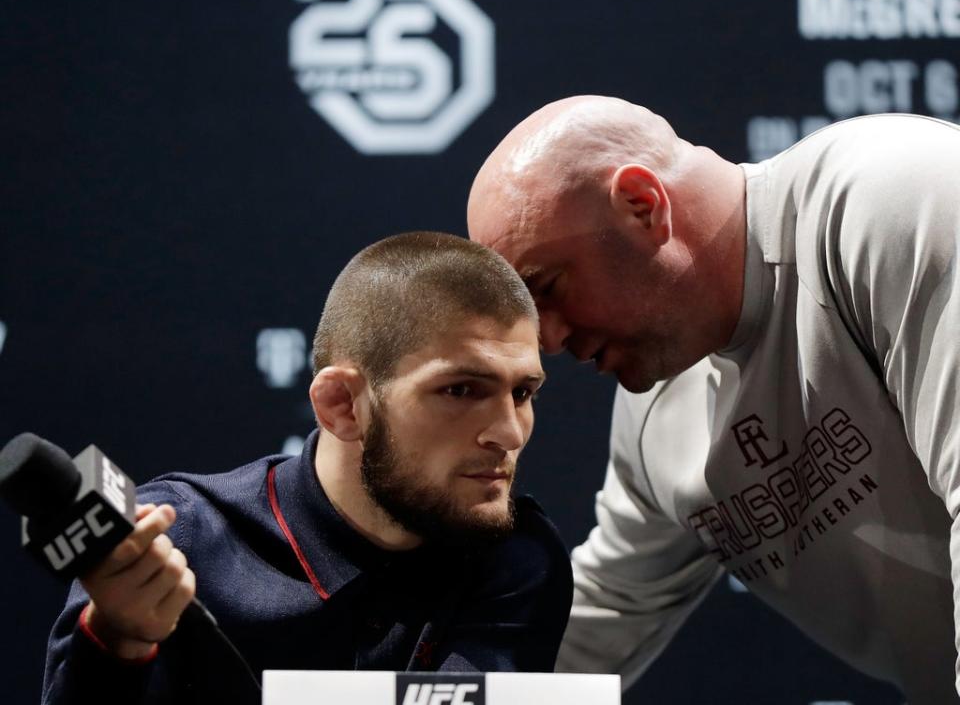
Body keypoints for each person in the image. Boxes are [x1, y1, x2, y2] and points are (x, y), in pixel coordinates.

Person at [467, 96, 960, 704]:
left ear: (643, 206)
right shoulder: (655, 414)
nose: (546, 341)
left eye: (547, 287)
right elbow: (604, 618)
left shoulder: (893, 195)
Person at [42, 231, 573, 704]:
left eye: (523, 392)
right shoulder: (173, 543)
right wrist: (119, 639)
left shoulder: (518, 557)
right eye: (460, 390)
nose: (510, 432)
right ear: (342, 405)